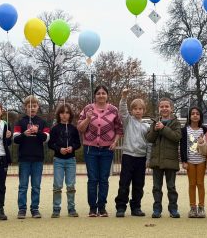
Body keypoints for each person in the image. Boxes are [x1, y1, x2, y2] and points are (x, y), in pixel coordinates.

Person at [77, 86, 123, 217]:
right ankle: (92, 208)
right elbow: (80, 128)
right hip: (90, 149)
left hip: (107, 149)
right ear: (95, 96)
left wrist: (115, 142)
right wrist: (88, 119)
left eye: (103, 93)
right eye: (98, 93)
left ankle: (102, 207)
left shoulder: (113, 110)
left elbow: (119, 129)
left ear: (107, 95)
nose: (101, 95)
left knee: (103, 179)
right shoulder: (87, 109)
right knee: (92, 179)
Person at [13, 95, 50, 219]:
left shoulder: (42, 122)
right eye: (29, 106)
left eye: (34, 106)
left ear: (38, 107)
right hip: (24, 159)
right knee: (23, 186)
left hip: (38, 159)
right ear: (25, 108)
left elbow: (46, 138)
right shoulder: (20, 122)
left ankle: (35, 209)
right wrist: (24, 134)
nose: (32, 108)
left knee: (36, 186)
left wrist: (37, 132)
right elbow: (16, 139)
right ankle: (22, 209)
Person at [145, 99, 183, 219]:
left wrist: (163, 128)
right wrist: (156, 130)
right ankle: (157, 209)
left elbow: (177, 137)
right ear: (159, 109)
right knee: (156, 187)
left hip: (170, 161)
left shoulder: (176, 123)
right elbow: (149, 138)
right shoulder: (154, 123)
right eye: (162, 106)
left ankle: (173, 209)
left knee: (171, 187)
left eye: (167, 106)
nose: (164, 108)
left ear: (171, 108)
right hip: (156, 161)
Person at [114, 90, 149, 218]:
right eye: (135, 109)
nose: (138, 111)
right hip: (128, 156)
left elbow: (149, 144)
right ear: (132, 110)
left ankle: (136, 207)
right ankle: (121, 207)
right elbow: (122, 111)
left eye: (140, 109)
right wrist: (123, 97)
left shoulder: (147, 126)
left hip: (141, 158)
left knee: (139, 184)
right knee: (124, 183)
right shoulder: (128, 121)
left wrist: (148, 159)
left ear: (143, 110)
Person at [47, 103, 81, 218]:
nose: (64, 115)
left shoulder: (74, 129)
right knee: (57, 185)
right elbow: (50, 144)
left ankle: (71, 208)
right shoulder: (55, 129)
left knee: (71, 185)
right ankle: (56, 209)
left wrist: (72, 148)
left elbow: (78, 144)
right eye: (62, 112)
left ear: (70, 114)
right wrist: (59, 149)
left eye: (67, 112)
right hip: (58, 160)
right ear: (59, 114)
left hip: (71, 160)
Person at [181, 107, 207, 218]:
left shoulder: (205, 130)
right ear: (189, 116)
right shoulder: (185, 130)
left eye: (197, 113)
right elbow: (182, 146)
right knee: (192, 184)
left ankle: (201, 207)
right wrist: (184, 161)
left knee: (200, 184)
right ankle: (193, 208)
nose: (195, 115)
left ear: (200, 116)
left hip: (202, 161)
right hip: (190, 161)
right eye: (193, 113)